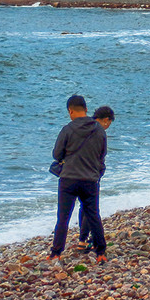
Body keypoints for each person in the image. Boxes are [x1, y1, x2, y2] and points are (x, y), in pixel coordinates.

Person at [49, 95, 107, 262]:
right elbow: (102, 154)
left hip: (69, 178)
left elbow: (57, 154)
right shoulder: (99, 130)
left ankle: (56, 253)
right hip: (90, 179)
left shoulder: (67, 129)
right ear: (86, 109)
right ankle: (101, 252)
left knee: (63, 218)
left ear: (70, 111)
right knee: (93, 215)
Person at [77, 106, 115, 250]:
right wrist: (100, 170)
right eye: (109, 123)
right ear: (106, 120)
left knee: (83, 206)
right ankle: (84, 239)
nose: (108, 126)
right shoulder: (99, 131)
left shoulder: (82, 126)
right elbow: (100, 154)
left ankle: (84, 237)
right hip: (90, 173)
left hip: (75, 171)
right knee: (90, 206)